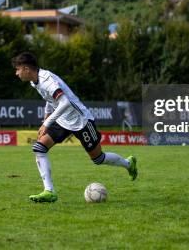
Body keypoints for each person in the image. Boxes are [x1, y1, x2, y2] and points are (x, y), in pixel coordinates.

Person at [12, 52, 137, 203]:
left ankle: (128, 164)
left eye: (18, 69)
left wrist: (47, 123)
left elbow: (64, 102)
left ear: (26, 68)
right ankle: (49, 191)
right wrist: (46, 117)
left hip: (81, 120)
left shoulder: (47, 80)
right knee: (39, 148)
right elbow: (49, 99)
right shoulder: (35, 81)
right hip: (62, 119)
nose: (16, 73)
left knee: (98, 159)